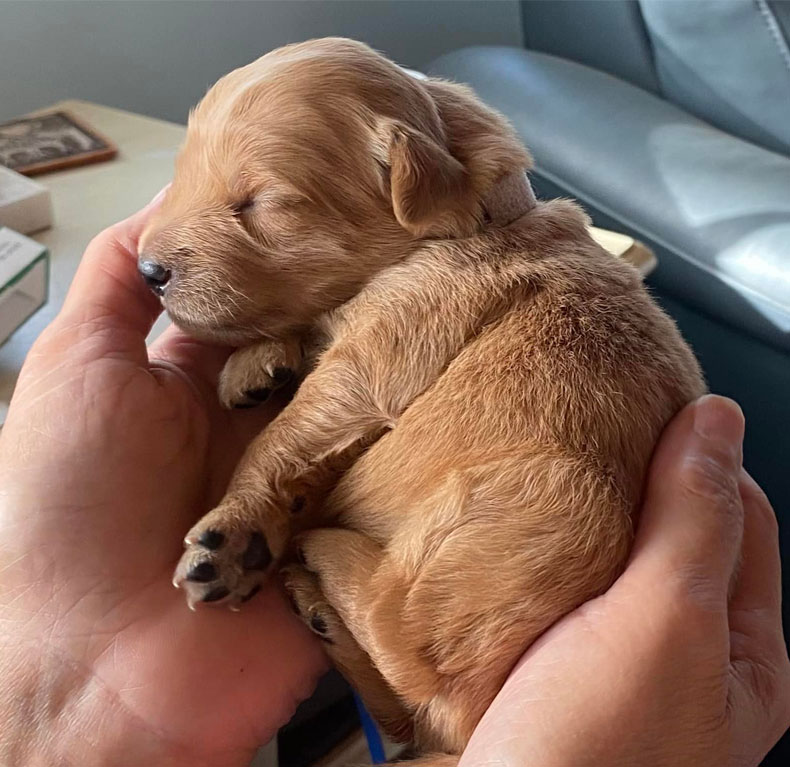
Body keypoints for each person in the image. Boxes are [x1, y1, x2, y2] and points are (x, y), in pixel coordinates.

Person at [0, 196, 787, 767]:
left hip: (484, 598)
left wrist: (71, 701)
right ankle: (403, 675)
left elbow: (362, 382)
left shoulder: (455, 271)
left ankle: (406, 660)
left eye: (258, 202)